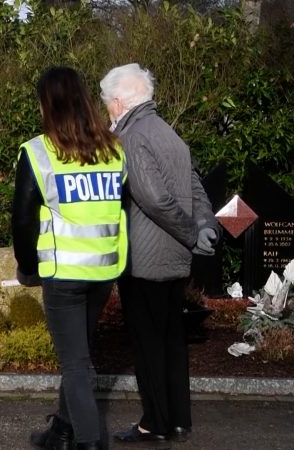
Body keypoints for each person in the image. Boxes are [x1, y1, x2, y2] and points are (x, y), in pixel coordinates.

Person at [99, 63, 219, 447]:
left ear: (118, 103)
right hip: (175, 260)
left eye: (107, 104)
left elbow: (153, 199)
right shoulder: (171, 134)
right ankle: (178, 419)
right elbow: (195, 186)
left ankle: (154, 423)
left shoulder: (131, 136)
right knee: (172, 339)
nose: (107, 112)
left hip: (145, 260)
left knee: (148, 342)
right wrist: (204, 228)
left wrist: (190, 232)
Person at [13, 66, 128, 450]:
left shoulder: (38, 152)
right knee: (78, 353)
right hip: (103, 271)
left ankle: (90, 442)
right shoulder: (114, 150)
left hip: (62, 275)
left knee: (76, 363)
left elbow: (22, 221)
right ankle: (62, 430)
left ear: (48, 105)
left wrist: (28, 268)